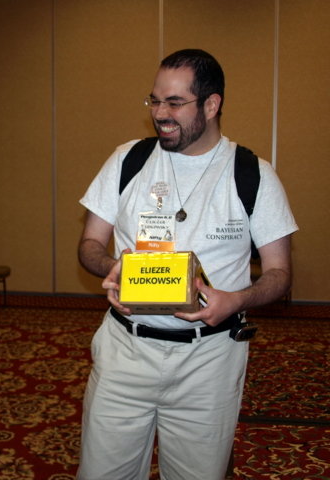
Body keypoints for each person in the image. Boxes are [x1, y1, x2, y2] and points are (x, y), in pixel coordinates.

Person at [77, 49, 297, 480]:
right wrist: (110, 265)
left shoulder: (252, 173)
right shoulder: (128, 160)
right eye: (155, 101)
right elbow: (88, 244)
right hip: (125, 353)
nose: (161, 113)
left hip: (209, 361)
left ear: (211, 105)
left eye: (175, 103)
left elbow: (280, 275)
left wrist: (234, 299)